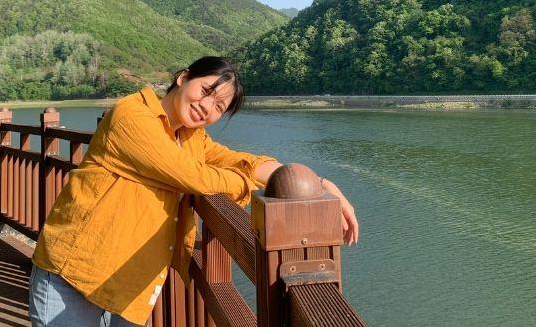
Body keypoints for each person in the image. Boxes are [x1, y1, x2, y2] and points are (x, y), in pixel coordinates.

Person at [29, 56, 359, 326]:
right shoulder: (132, 116)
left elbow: (240, 161)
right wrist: (243, 184)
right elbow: (192, 176)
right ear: (184, 77)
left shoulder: (190, 137)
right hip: (74, 271)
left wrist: (318, 183)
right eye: (205, 91)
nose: (207, 108)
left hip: (127, 280)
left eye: (218, 106)